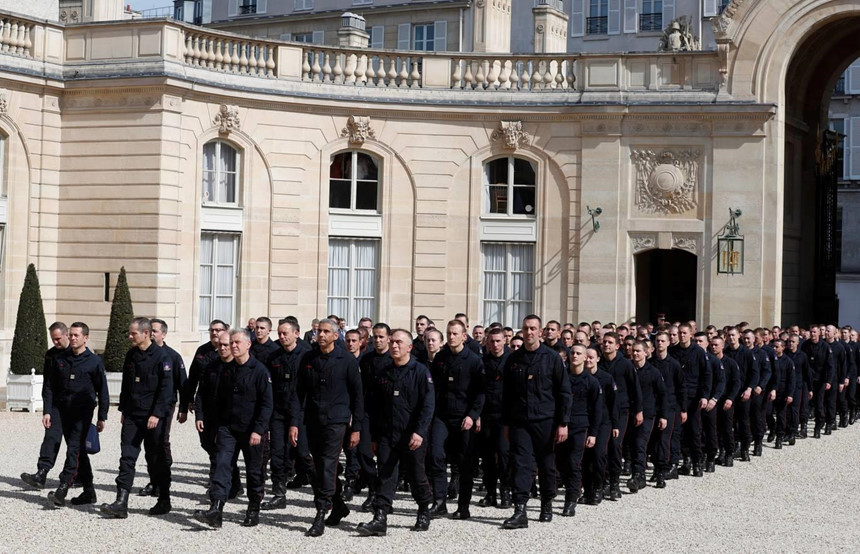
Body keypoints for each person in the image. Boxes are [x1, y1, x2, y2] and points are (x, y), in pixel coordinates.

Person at [357, 329, 435, 536]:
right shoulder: (384, 372)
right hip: (387, 434)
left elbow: (428, 405)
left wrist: (419, 432)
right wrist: (374, 436)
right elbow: (375, 407)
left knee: (416, 475)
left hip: (412, 435)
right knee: (385, 475)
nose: (394, 346)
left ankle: (424, 509)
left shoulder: (420, 372)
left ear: (409, 347)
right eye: (392, 342)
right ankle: (380, 517)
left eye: (399, 342)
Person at [290, 319, 364, 536]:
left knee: (328, 464)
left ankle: (321, 511)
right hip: (312, 420)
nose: (321, 335)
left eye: (325, 332)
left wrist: (357, 427)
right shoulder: (308, 358)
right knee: (316, 465)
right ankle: (338, 504)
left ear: (335, 335)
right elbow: (298, 393)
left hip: (336, 421)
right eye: (319, 331)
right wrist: (294, 422)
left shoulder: (347, 360)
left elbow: (357, 396)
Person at [193, 329, 273, 529]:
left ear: (248, 345)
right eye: (232, 343)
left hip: (252, 430)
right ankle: (216, 509)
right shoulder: (226, 369)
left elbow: (266, 404)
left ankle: (253, 508)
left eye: (237, 342)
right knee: (221, 465)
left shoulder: (259, 371)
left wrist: (258, 430)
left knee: (254, 471)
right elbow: (216, 398)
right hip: (228, 428)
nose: (233, 346)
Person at [501, 315, 571, 529]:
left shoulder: (552, 358)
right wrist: (506, 423)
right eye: (525, 328)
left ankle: (546, 502)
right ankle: (520, 509)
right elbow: (507, 395)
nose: (529, 332)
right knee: (521, 464)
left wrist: (563, 423)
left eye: (533, 328)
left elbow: (564, 392)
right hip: (520, 421)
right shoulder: (513, 359)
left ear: (540, 332)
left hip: (545, 420)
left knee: (546, 464)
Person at [100, 318, 174, 519]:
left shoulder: (162, 356)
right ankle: (121, 502)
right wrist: (124, 410)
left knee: (156, 458)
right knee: (127, 457)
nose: (129, 336)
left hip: (153, 417)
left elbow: (166, 390)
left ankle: (164, 498)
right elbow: (127, 385)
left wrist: (157, 414)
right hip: (133, 415)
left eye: (133, 333)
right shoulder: (131, 355)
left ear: (146, 333)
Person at [43, 322, 109, 507]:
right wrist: (48, 410)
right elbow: (49, 386)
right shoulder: (61, 358)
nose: (72, 338)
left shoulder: (94, 361)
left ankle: (62, 488)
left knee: (73, 448)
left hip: (83, 413)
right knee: (79, 451)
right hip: (63, 411)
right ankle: (89, 492)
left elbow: (103, 390)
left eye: (76, 335)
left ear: (85, 338)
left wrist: (102, 416)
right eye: (70, 335)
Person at [427, 320, 485, 519]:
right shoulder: (440, 358)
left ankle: (463, 506)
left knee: (464, 462)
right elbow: (433, 388)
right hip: (442, 416)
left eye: (455, 333)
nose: (451, 337)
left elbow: (480, 392)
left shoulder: (474, 360)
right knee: (436, 456)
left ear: (464, 336)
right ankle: (439, 501)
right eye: (449, 333)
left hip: (463, 417)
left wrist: (472, 415)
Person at [261, 319, 310, 511]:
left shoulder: (306, 356)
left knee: (303, 453)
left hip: (302, 412)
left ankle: (324, 490)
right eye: (279, 333)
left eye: (285, 333)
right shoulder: (274, 357)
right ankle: (279, 493)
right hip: (279, 412)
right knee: (277, 454)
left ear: (296, 334)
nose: (282, 337)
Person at [138, 319, 187, 498]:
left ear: (164, 335)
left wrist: (183, 408)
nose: (151, 333)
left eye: (155, 331)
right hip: (145, 406)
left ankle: (163, 481)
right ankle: (154, 480)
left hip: (165, 405)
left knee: (160, 442)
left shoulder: (172, 356)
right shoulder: (141, 354)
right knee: (149, 445)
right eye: (150, 330)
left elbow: (183, 384)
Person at [180, 319, 230, 488]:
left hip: (223, 406)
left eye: (218, 330)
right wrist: (188, 401)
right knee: (206, 442)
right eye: (212, 330)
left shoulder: (231, 350)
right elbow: (193, 378)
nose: (214, 333)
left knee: (220, 442)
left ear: (226, 330)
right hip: (205, 402)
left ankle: (217, 475)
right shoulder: (202, 351)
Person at [22, 322, 71, 490]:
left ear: (66, 335)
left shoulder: (78, 353)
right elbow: (48, 385)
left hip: (74, 406)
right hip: (57, 405)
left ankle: (79, 476)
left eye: (58, 339)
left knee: (75, 444)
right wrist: (47, 411)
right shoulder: (51, 355)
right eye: (53, 339)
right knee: (51, 438)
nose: (55, 342)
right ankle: (41, 473)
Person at [193, 331, 240, 499]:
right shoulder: (211, 366)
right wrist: (199, 415)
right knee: (208, 446)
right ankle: (235, 483)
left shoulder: (239, 367)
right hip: (209, 415)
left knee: (222, 453)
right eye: (220, 345)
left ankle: (218, 488)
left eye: (226, 345)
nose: (223, 348)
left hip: (228, 419)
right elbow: (201, 392)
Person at [557, 344, 602, 517]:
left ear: (585, 357)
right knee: (560, 463)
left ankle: (571, 500)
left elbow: (597, 410)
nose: (574, 356)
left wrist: (593, 434)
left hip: (580, 427)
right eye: (572, 353)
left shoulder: (592, 382)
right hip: (561, 426)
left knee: (573, 463)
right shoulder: (562, 378)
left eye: (578, 353)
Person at [598, 332, 642, 500]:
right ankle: (603, 481)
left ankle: (614, 482)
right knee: (602, 448)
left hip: (621, 411)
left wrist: (638, 410)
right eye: (604, 342)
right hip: (603, 411)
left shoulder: (626, 364)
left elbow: (635, 388)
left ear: (617, 346)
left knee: (616, 446)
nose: (606, 345)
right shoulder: (599, 363)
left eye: (610, 342)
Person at [353, 323, 392, 509]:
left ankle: (382, 496)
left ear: (388, 338)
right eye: (375, 337)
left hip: (387, 414)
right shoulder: (366, 359)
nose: (378, 340)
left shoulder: (393, 359)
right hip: (368, 411)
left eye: (381, 337)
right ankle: (372, 487)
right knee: (363, 452)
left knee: (384, 458)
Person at [669, 323, 711, 477]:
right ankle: (684, 460)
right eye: (679, 333)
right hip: (677, 397)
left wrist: (705, 396)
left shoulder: (698, 352)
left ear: (691, 334)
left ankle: (696, 462)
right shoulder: (672, 351)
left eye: (684, 333)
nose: (681, 335)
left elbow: (706, 375)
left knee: (694, 432)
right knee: (678, 432)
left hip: (693, 398)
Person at [477, 327, 512, 509]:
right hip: (487, 415)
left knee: (504, 455)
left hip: (505, 416)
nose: (495, 344)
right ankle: (490, 493)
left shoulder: (512, 361)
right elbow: (477, 390)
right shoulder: (482, 362)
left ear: (504, 341)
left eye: (498, 341)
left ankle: (505, 491)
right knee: (487, 457)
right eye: (492, 341)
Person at [582, 346, 617, 504]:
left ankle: (598, 487)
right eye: (586, 357)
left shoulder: (606, 378)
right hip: (584, 421)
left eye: (591, 357)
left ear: (597, 359)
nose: (588, 360)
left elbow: (613, 403)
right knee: (585, 458)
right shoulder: (578, 376)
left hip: (603, 422)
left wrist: (615, 424)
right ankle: (587, 489)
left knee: (598, 455)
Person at [649, 331, 684, 486]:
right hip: (652, 406)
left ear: (669, 343)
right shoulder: (650, 363)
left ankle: (662, 471)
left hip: (669, 406)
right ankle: (656, 467)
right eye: (657, 341)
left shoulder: (674, 365)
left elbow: (681, 387)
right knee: (653, 440)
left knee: (664, 440)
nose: (660, 343)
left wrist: (683, 409)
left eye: (663, 341)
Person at [723, 327, 758, 460]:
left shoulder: (747, 353)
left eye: (733, 335)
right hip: (729, 393)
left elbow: (754, 373)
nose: (731, 338)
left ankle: (745, 448)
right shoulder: (725, 353)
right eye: (729, 335)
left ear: (739, 336)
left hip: (743, 392)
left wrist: (749, 389)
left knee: (743, 421)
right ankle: (731, 447)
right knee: (729, 422)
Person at [801, 325, 834, 438]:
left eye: (815, 332)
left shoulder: (825, 346)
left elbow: (830, 365)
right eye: (811, 332)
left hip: (820, 379)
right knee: (805, 404)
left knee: (819, 405)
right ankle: (804, 427)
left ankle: (818, 427)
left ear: (819, 333)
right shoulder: (805, 345)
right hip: (807, 379)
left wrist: (829, 381)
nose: (813, 334)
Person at [770, 339, 796, 449]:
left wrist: (790, 394)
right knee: (768, 413)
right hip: (770, 391)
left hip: (782, 392)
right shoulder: (770, 359)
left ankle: (780, 436)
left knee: (781, 415)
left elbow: (792, 379)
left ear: (783, 348)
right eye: (773, 346)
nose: (774, 349)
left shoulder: (788, 361)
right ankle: (772, 428)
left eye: (777, 347)